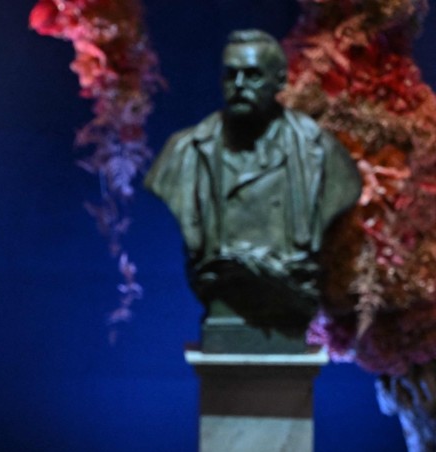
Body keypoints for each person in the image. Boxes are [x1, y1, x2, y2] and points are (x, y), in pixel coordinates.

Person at [144, 29, 361, 346]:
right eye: (231, 75)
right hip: (222, 309)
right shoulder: (185, 152)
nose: (240, 86)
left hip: (288, 315)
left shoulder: (322, 155)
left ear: (280, 81)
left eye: (253, 75)